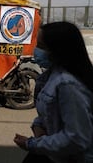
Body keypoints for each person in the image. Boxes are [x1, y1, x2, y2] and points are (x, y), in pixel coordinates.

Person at [13, 21, 93, 163]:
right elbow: (50, 113)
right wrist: (38, 125)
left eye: (41, 47)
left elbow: (76, 138)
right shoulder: (49, 76)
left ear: (58, 50)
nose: (36, 51)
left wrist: (31, 144)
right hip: (51, 151)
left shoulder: (68, 84)